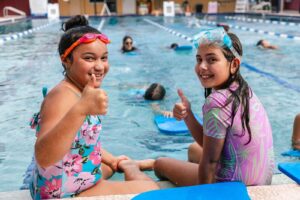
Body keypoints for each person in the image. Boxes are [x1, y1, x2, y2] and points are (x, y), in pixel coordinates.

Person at [30, 15, 158, 199]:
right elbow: (43, 156)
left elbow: (81, 142)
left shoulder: (76, 89)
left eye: (104, 58)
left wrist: (113, 159)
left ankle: (118, 163)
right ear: (66, 60)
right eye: (89, 58)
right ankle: (131, 167)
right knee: (151, 191)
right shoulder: (62, 96)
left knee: (107, 166)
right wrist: (81, 109)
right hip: (63, 194)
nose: (100, 66)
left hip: (63, 181)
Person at [154, 28, 274, 186]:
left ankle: (143, 165)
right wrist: (187, 114)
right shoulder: (245, 91)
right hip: (260, 181)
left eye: (211, 60)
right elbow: (209, 143)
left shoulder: (217, 101)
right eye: (199, 59)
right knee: (192, 149)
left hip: (232, 188)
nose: (202, 66)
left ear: (233, 64)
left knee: (160, 164)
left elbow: (210, 162)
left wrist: (205, 195)